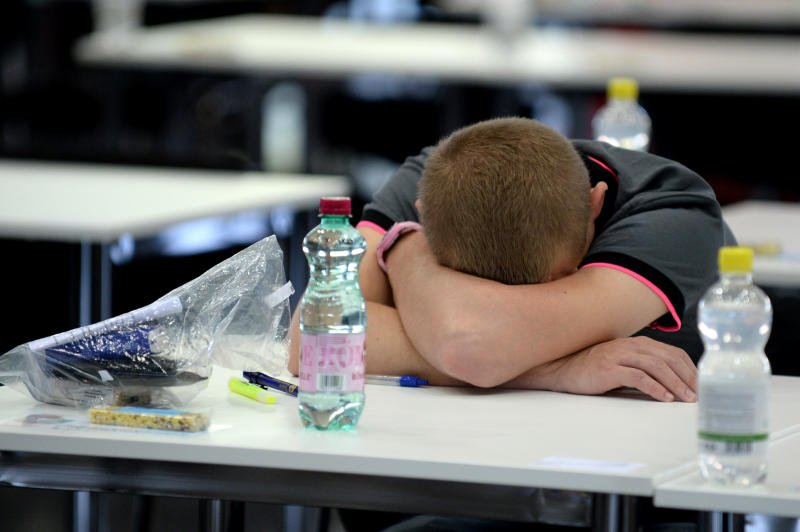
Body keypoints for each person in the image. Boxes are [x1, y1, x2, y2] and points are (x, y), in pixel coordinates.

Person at [288, 116, 734, 403]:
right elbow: (313, 341)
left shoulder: (672, 214)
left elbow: (469, 346)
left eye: (556, 285)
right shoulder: (441, 176)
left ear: (595, 204)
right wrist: (559, 370)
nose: (503, 313)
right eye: (471, 289)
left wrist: (402, 248)